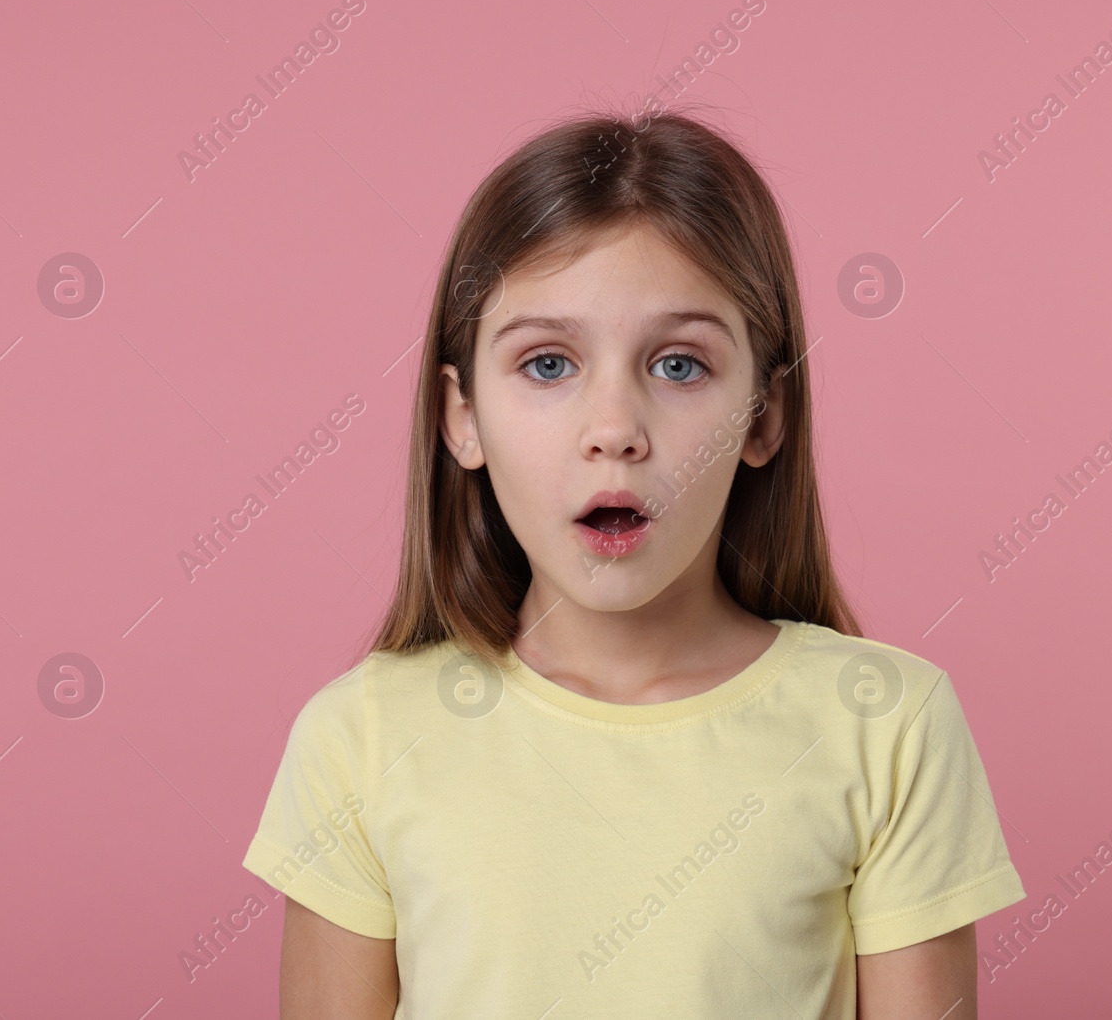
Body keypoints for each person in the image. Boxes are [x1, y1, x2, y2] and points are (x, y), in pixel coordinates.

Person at [242, 104, 1026, 1019]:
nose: (614, 431)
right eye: (546, 364)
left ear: (764, 417)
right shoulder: (362, 737)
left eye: (680, 366)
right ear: (461, 417)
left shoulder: (888, 728)